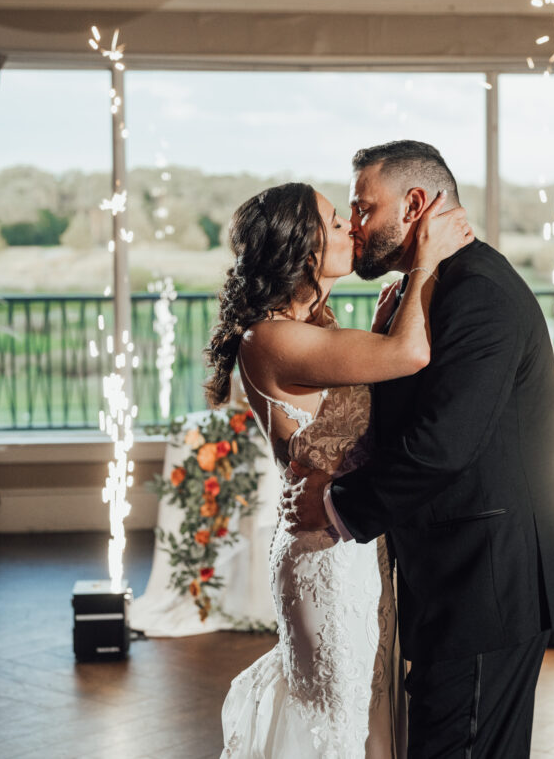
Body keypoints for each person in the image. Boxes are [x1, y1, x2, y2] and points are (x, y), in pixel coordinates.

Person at [285, 140, 554, 758]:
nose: (358, 227)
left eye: (363, 209)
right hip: (456, 576)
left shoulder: (478, 291)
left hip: (485, 582)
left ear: (415, 203)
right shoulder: (424, 291)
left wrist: (337, 505)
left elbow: (442, 445)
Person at [209, 181, 473, 758]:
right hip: (321, 557)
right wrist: (423, 262)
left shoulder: (317, 325)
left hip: (353, 538)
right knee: (339, 717)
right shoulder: (270, 337)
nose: (351, 228)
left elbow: (360, 404)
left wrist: (385, 325)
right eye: (334, 222)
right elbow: (409, 356)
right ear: (304, 249)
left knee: (366, 709)